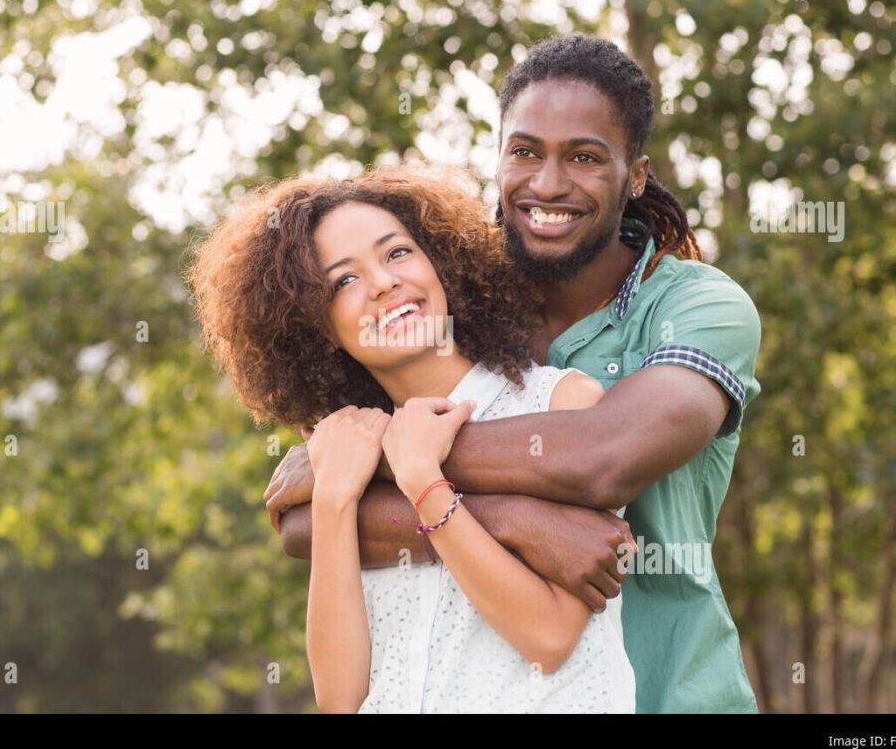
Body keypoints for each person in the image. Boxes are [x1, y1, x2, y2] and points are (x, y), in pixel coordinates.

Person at [269, 34, 762, 713]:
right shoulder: (452, 297)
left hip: (674, 692)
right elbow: (305, 529)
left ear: (636, 174)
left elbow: (603, 456)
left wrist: (378, 457)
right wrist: (514, 520)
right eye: (524, 151)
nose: (548, 183)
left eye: (585, 157)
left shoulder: (698, 306)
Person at [190, 165, 636, 712]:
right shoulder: (345, 453)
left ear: (440, 264)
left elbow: (547, 640)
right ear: (320, 327)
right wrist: (334, 496)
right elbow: (341, 698)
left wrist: (424, 480)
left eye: (397, 253)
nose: (382, 283)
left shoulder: (561, 405)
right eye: (344, 280)